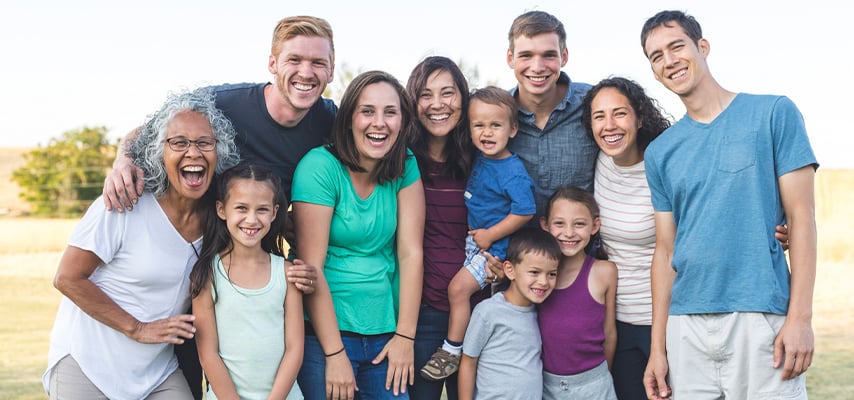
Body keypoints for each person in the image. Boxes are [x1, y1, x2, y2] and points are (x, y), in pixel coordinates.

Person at [101, 15, 331, 397]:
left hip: (264, 265)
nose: (306, 72)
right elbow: (150, 131)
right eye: (294, 60)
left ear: (331, 70)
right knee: (197, 368)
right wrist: (123, 160)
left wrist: (301, 243)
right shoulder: (225, 103)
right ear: (272, 64)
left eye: (318, 62)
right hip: (196, 259)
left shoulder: (330, 120)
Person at [640, 10, 818, 400]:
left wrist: (800, 318)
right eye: (656, 57)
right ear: (653, 72)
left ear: (702, 47)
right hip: (686, 327)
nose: (668, 61)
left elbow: (802, 219)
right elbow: (666, 249)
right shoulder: (660, 153)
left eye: (676, 47)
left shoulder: (773, 113)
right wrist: (658, 348)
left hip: (760, 318)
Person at [42, 88, 240, 400]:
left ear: (219, 151)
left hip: (156, 372)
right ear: (158, 152)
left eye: (204, 143)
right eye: (179, 143)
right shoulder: (124, 202)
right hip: (87, 362)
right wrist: (137, 328)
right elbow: (67, 278)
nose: (193, 152)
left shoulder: (220, 216)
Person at [292, 70, 425, 400]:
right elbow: (312, 267)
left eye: (390, 112)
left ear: (403, 121)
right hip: (324, 335)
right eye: (367, 111)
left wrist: (406, 336)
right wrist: (335, 354)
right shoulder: (319, 167)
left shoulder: (405, 164)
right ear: (349, 117)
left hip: (386, 333)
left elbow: (411, 253)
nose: (379, 123)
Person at [420, 86, 535, 381]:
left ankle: (452, 350)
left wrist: (490, 235)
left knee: (458, 290)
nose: (487, 132)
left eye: (495, 125)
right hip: (479, 244)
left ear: (513, 129)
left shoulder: (512, 170)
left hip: (494, 248)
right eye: (479, 125)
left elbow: (526, 210)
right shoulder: (481, 157)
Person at [406, 56, 491, 400]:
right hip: (422, 312)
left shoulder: (482, 157)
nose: (437, 104)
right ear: (413, 102)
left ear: (463, 98)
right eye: (426, 95)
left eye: (448, 93)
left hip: (479, 310)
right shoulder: (401, 161)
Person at [580, 77, 670, 399]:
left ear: (640, 118)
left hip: (664, 322)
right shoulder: (599, 160)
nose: (609, 125)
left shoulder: (663, 168)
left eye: (619, 113)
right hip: (613, 323)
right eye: (599, 116)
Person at [190, 164, 304, 400]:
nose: (251, 220)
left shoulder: (287, 274)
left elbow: (294, 349)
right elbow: (208, 354)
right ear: (222, 210)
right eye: (241, 208)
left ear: (274, 213)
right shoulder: (207, 274)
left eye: (262, 209)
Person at [506, 10, 599, 219]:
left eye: (548, 55)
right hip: (512, 247)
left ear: (563, 57)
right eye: (526, 55)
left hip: (582, 245)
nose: (537, 67)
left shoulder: (593, 103)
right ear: (510, 58)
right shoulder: (494, 114)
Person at [457, 228, 561, 400]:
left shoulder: (541, 314)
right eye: (534, 272)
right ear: (510, 270)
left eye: (551, 274)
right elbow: (468, 362)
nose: (543, 282)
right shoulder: (488, 312)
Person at [538, 187, 618, 400]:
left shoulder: (604, 272)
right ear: (545, 225)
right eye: (559, 223)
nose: (569, 233)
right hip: (544, 386)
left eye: (579, 224)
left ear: (595, 226)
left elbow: (609, 333)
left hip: (595, 385)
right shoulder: (537, 277)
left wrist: (601, 378)